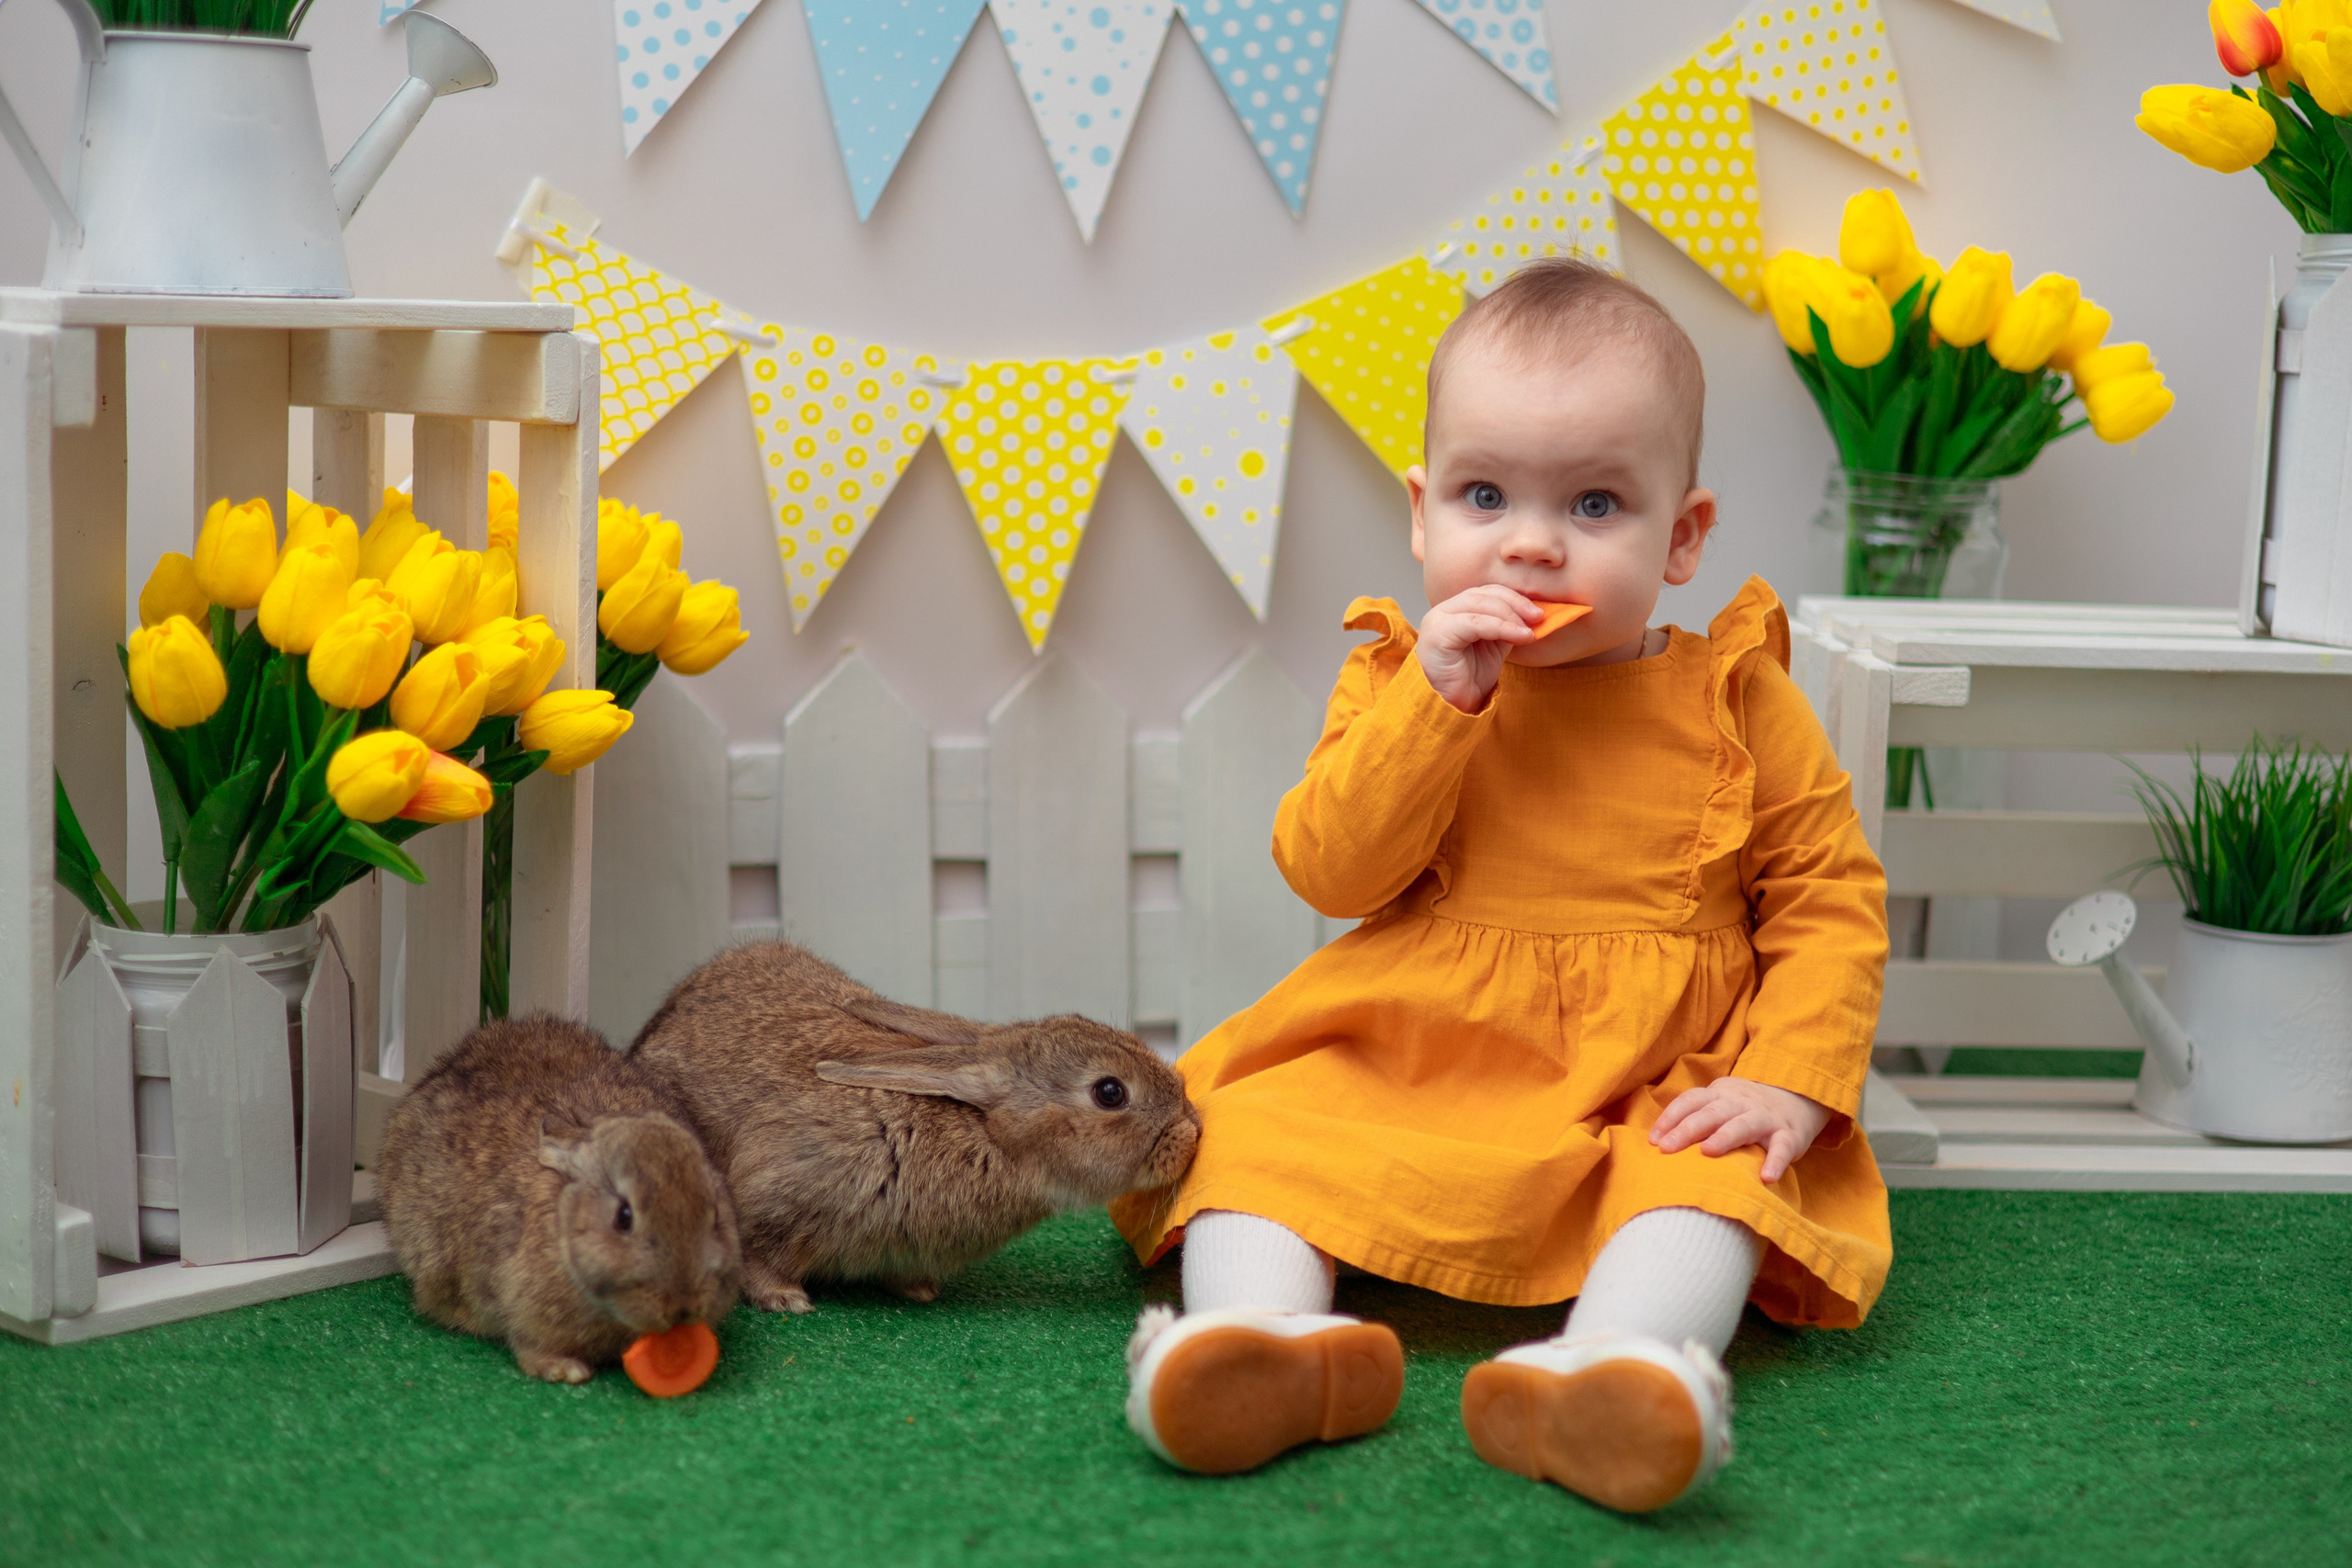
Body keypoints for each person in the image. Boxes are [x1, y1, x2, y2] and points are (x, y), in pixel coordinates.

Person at [1110, 257, 1891, 1513]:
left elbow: (1828, 899)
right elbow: (1331, 867)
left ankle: (1616, 1368)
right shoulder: (1397, 679)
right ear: (1423, 517)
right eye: (1486, 496)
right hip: (1418, 1050)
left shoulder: (1737, 695)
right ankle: (1261, 1342)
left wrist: (1788, 1080)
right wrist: (1438, 708)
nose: (1530, 543)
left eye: (1595, 503)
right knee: (1253, 1132)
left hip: (1650, 1079)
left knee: (1711, 1183)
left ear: (1682, 536)